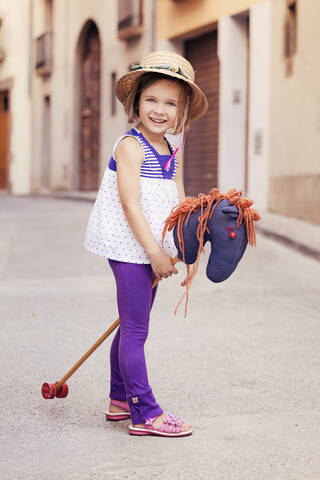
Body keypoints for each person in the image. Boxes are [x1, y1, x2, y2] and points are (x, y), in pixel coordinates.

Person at [84, 51, 208, 437]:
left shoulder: (172, 150)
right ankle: (145, 412)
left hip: (152, 248)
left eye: (170, 103)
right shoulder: (131, 145)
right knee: (137, 329)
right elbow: (129, 203)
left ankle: (119, 400)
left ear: (182, 110)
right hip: (128, 247)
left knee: (130, 324)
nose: (160, 110)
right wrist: (153, 253)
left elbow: (178, 198)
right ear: (136, 102)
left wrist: (186, 238)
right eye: (152, 99)